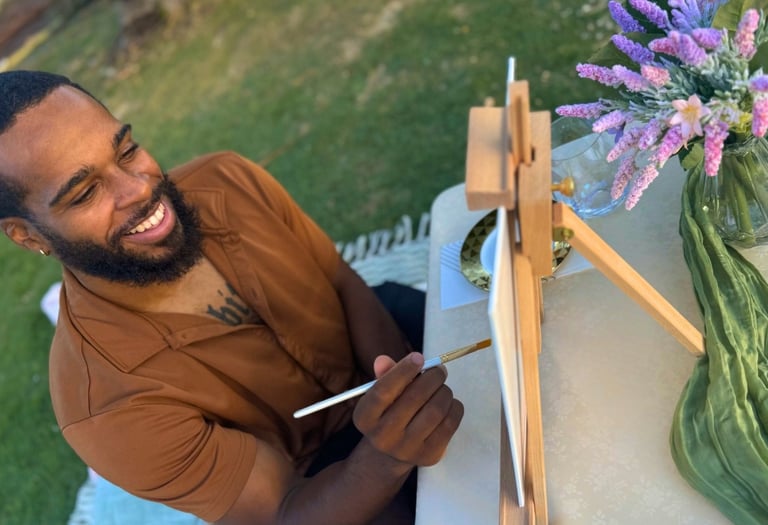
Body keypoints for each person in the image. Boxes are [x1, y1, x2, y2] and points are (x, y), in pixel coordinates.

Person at [0, 70, 464, 524]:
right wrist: (386, 458)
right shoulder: (104, 407)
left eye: (126, 150)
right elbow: (284, 510)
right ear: (26, 235)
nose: (139, 188)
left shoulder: (228, 180)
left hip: (382, 343)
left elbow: (342, 282)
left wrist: (404, 380)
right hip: (320, 485)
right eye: (84, 194)